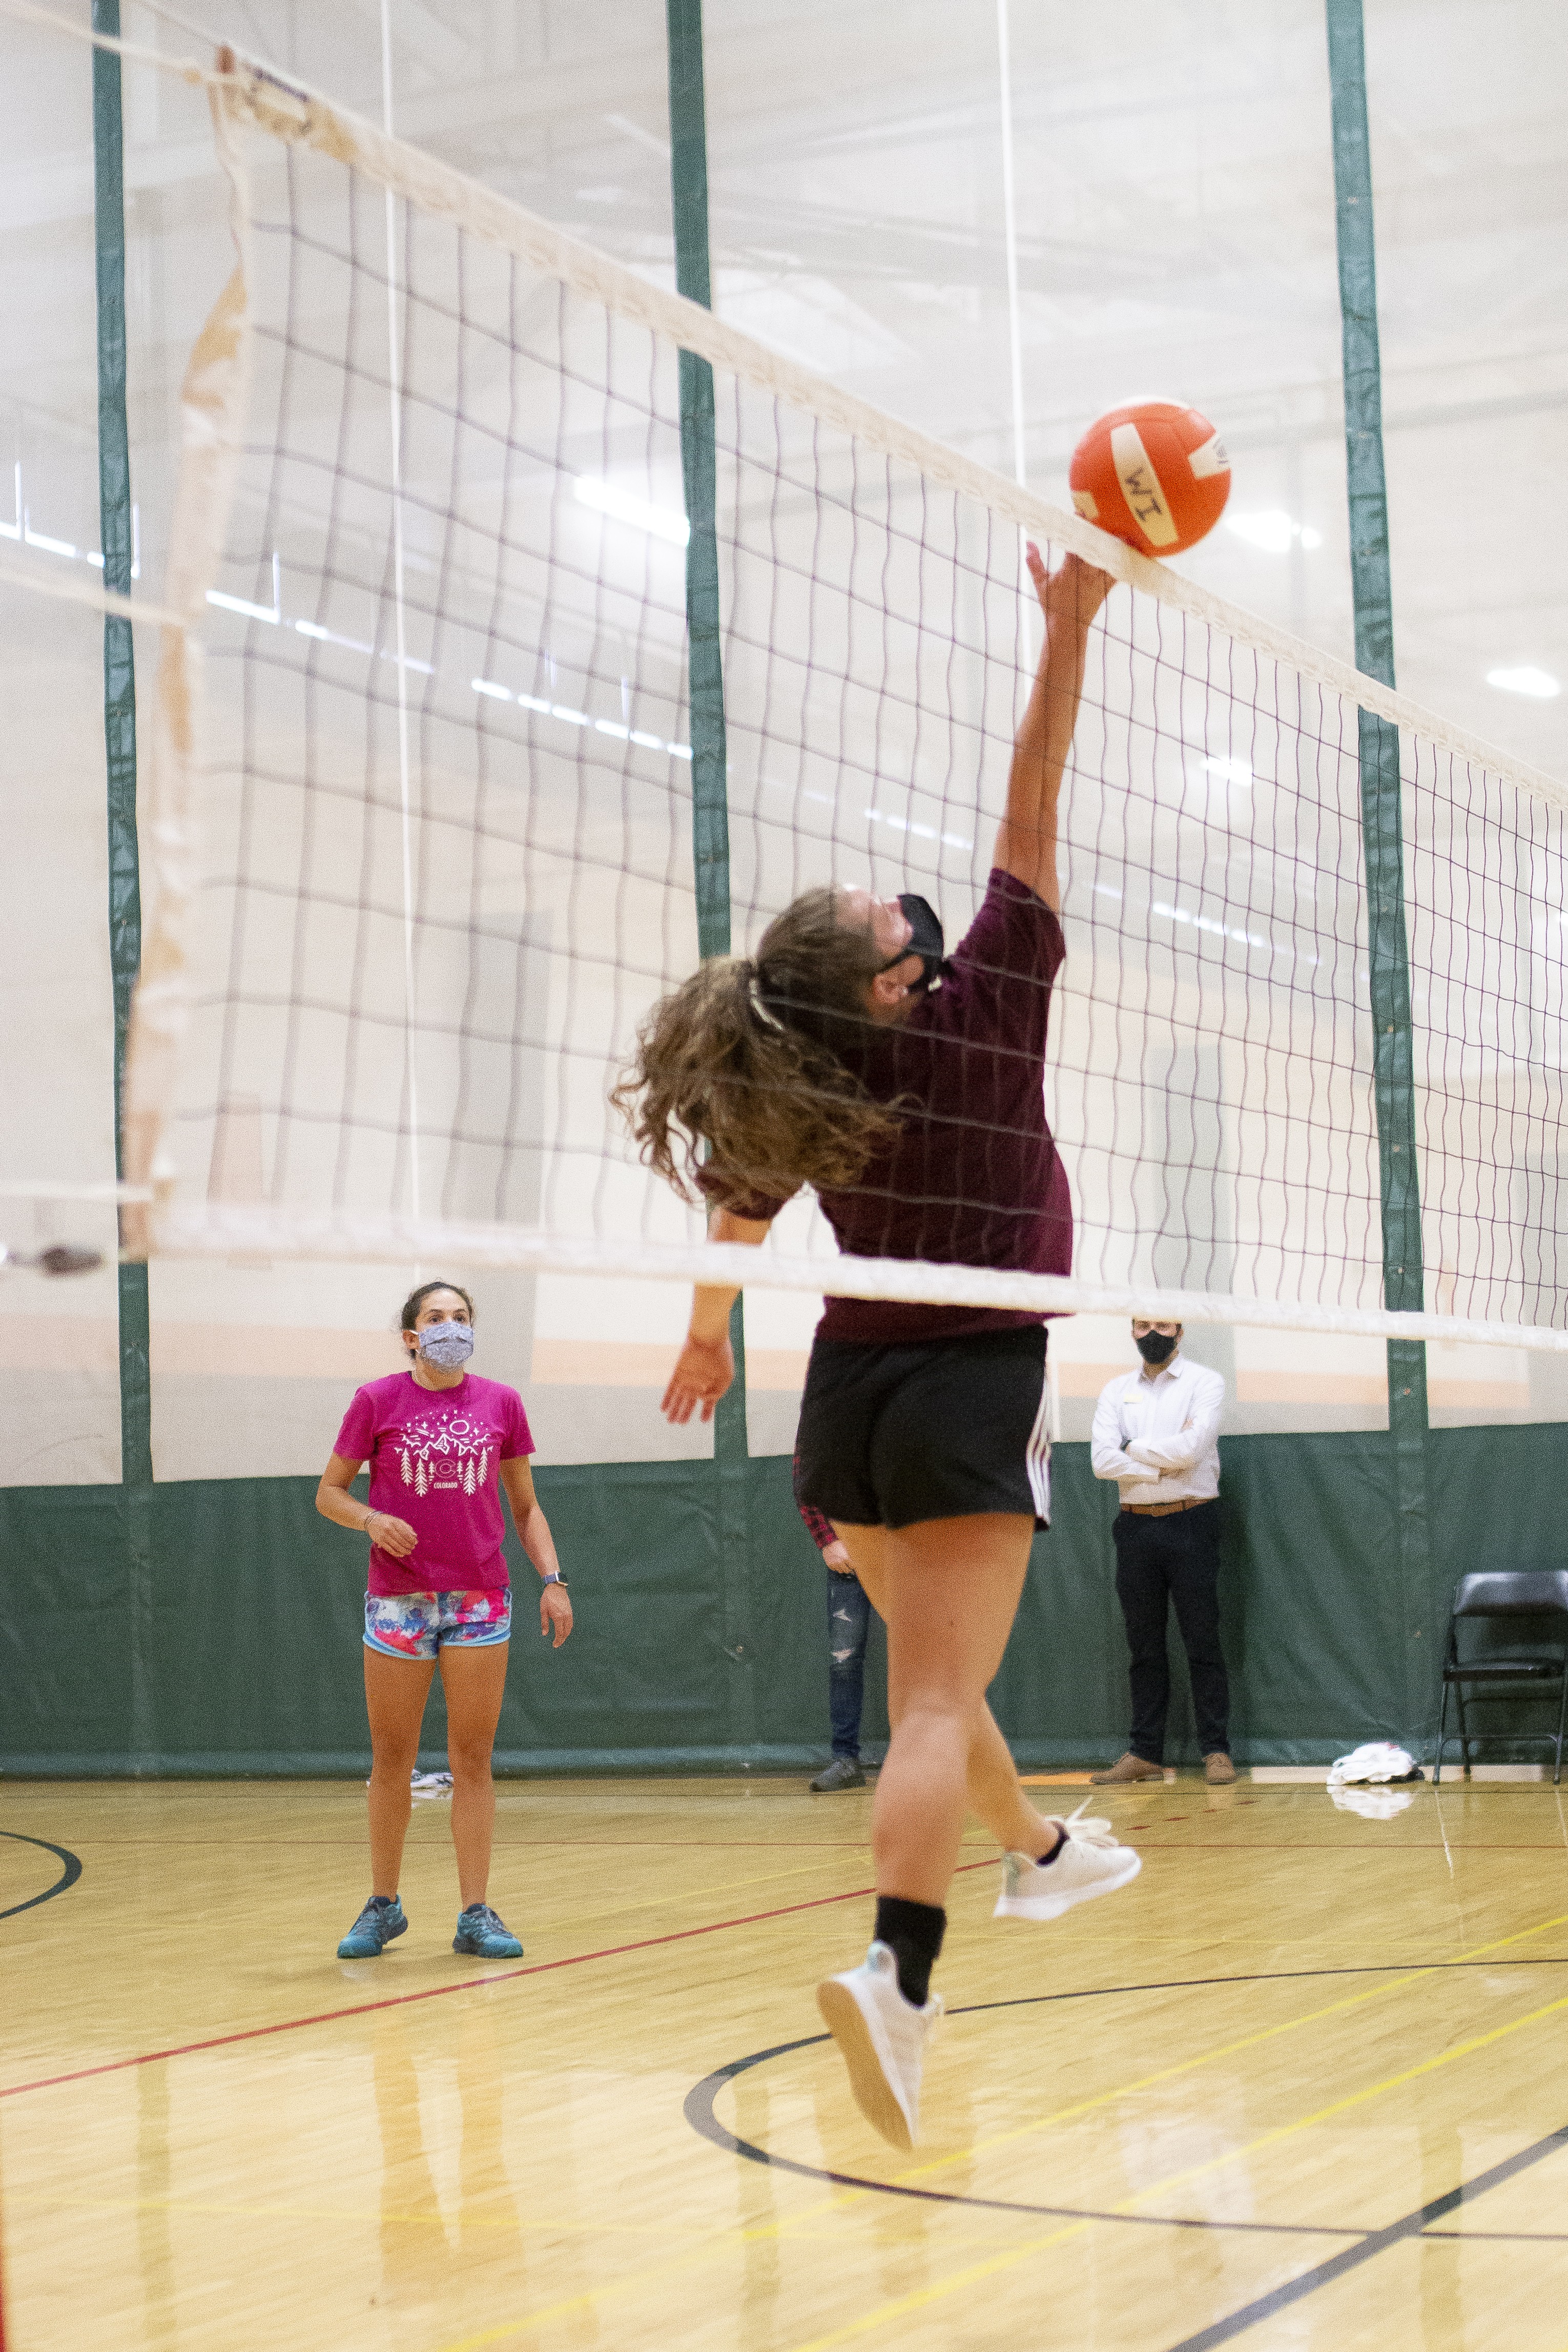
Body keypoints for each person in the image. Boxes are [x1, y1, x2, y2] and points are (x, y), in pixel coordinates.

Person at [616, 546, 1141, 2149]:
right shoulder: (997, 1001)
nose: (890, 898)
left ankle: (1044, 1853)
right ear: (899, 976)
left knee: (936, 1680)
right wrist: (1064, 632)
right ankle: (896, 1975)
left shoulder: (815, 1085)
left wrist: (706, 1347)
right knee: (929, 1704)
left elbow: (731, 1229)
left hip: (843, 1399)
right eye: (875, 917)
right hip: (977, 1383)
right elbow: (1035, 785)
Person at [316, 1281, 573, 1961]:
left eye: (460, 1316)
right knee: (392, 1758)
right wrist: (371, 1517)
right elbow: (329, 1492)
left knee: (472, 1759)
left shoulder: (502, 1403)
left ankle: (475, 1913)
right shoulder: (377, 1400)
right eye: (436, 1318)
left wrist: (552, 1578)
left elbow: (525, 1505)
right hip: (400, 1598)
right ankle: (383, 1904)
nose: (450, 1326)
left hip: (480, 1599)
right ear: (411, 1336)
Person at [1089, 1317, 1231, 1787]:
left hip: (1192, 1520)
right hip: (1134, 1526)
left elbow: (1192, 1451)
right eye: (1143, 1325)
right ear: (1131, 1331)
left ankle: (1216, 1751)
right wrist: (1157, 1469)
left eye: (1164, 1325)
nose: (1154, 1333)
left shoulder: (1205, 1382)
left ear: (1180, 1331)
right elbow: (1101, 1461)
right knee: (1143, 1645)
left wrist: (1131, 1449)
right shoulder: (1115, 1390)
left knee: (1202, 1640)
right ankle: (1145, 1752)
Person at [797, 1473, 872, 1792]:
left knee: (922, 1656)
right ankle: (846, 1761)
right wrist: (827, 1540)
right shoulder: (824, 1420)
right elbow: (806, 1476)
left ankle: (932, 1761)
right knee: (845, 1662)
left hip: (903, 1550)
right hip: (850, 1557)